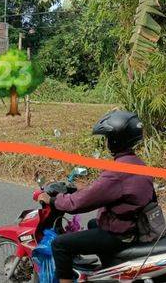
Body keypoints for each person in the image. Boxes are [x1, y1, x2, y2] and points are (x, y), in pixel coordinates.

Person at [36, 110, 154, 283]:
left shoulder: (118, 171)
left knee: (60, 244)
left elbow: (81, 202)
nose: (106, 142)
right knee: (93, 224)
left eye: (107, 138)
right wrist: (79, 188)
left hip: (121, 233)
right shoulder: (136, 163)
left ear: (115, 139)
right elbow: (103, 189)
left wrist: (53, 200)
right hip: (134, 226)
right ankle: (109, 272)